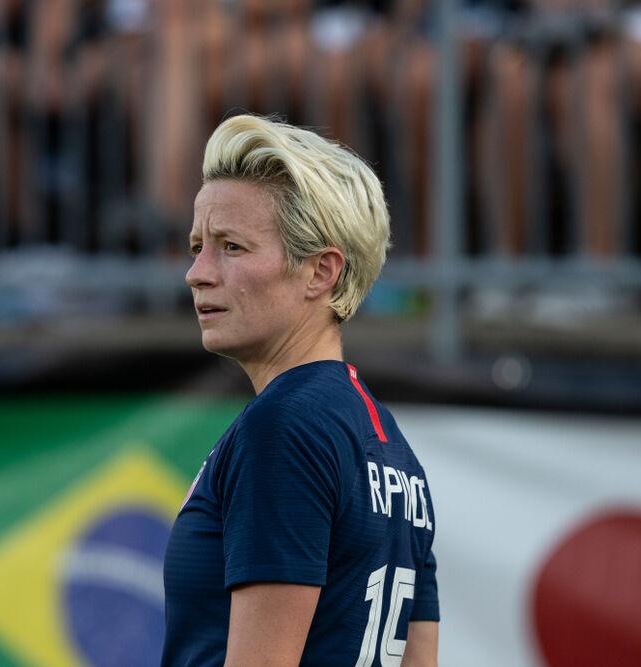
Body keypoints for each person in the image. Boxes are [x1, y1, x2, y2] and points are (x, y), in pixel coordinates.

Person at [162, 114, 440, 666]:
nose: (197, 272)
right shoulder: (394, 449)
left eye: (231, 247)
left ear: (320, 272)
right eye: (197, 246)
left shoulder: (283, 427)